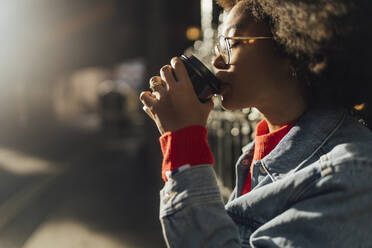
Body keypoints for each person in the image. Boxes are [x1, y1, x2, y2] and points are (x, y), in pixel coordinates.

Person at [140, 0, 372, 247]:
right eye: (220, 45)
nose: (217, 61)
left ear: (291, 48)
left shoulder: (349, 174)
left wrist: (184, 144)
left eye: (232, 43)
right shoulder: (255, 157)